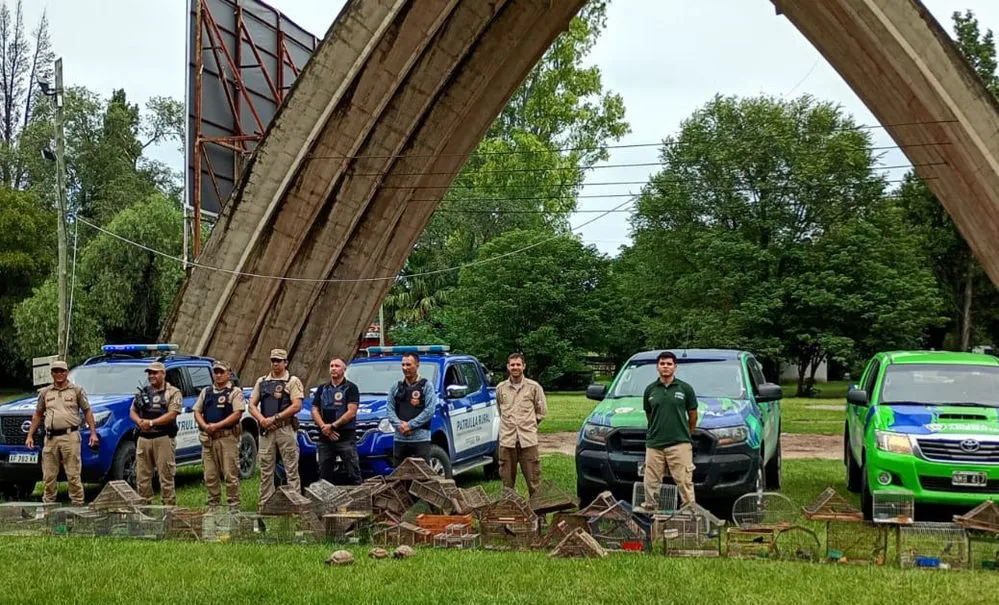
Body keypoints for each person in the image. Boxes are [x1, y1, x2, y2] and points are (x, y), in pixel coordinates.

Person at [25, 360, 99, 506]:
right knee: (49, 475)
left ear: (67, 372)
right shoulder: (45, 392)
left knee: (73, 474)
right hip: (51, 438)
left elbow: (87, 411)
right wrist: (30, 435)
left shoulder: (76, 391)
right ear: (52, 374)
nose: (59, 374)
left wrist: (93, 433)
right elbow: (38, 414)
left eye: (62, 371)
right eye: (55, 371)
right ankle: (48, 506)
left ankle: (77, 504)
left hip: (70, 436)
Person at [247, 348, 304, 508]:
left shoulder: (292, 381)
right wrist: (262, 419)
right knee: (266, 469)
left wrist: (276, 417)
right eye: (273, 360)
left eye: (279, 361)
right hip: (266, 430)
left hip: (285, 428)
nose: (275, 363)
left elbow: (296, 406)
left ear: (286, 363)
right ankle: (265, 505)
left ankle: (295, 506)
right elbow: (251, 405)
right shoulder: (262, 381)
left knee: (291, 469)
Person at [642, 351, 698, 509]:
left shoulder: (685, 389)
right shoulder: (650, 390)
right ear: (657, 367)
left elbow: (693, 415)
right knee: (650, 482)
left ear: (675, 367)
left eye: (669, 364)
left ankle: (689, 512)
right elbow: (649, 414)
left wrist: (688, 434)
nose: (665, 367)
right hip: (654, 443)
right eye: (662, 364)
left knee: (684, 481)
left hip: (680, 443)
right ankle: (650, 512)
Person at [129, 361, 183, 505]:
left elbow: (172, 414)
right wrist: (140, 422)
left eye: (155, 373)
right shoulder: (144, 392)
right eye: (149, 373)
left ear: (163, 374)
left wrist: (152, 423)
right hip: (144, 438)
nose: (151, 376)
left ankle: (169, 510)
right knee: (142, 477)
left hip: (163, 438)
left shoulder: (173, 392)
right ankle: (145, 508)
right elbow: (132, 411)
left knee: (166, 475)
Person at [494, 352, 547, 498]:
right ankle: (510, 516)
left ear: (523, 366)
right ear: (508, 367)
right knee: (507, 484)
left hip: (528, 442)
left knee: (534, 482)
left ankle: (539, 516)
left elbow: (541, 412)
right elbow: (500, 411)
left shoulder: (534, 387)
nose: (515, 367)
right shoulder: (500, 389)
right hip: (507, 442)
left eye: (518, 364)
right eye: (512, 365)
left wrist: (528, 425)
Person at [193, 360, 245, 510]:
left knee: (230, 474)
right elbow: (197, 411)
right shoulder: (206, 392)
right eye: (215, 372)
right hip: (208, 439)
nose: (218, 375)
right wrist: (204, 426)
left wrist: (217, 426)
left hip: (226, 437)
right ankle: (213, 505)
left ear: (229, 373)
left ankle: (233, 505)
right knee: (210, 474)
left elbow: (237, 414)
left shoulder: (234, 392)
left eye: (222, 372)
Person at [311, 357, 361, 485]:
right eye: (331, 365)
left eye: (337, 366)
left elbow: (351, 412)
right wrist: (324, 427)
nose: (333, 368)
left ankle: (359, 502)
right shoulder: (322, 389)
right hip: (325, 438)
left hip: (345, 436)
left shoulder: (351, 388)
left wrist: (333, 426)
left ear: (344, 369)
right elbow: (315, 410)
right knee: (324, 474)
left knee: (353, 472)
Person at [385, 352, 437, 466]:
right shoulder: (396, 386)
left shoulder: (426, 386)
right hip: (400, 439)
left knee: (422, 476)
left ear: (417, 365)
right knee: (399, 477)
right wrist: (400, 425)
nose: (405, 368)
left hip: (420, 439)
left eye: (408, 365)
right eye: (403, 365)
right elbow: (389, 409)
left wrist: (410, 425)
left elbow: (430, 410)